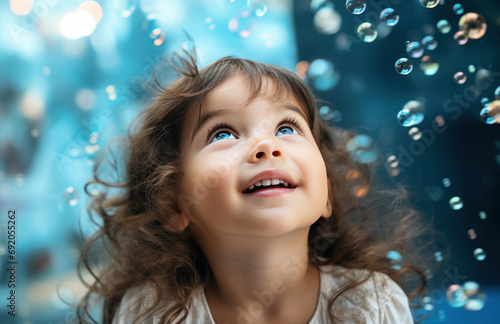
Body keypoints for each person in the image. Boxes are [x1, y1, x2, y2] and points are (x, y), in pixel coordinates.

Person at [77, 49, 431, 324]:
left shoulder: (371, 303)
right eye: (223, 133)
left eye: (287, 128)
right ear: (174, 203)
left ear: (327, 193)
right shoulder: (153, 313)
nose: (266, 146)